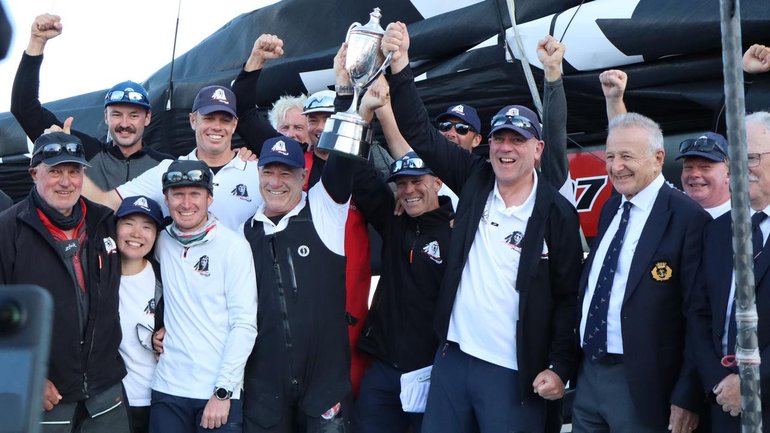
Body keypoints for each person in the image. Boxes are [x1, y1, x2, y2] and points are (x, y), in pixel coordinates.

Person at [382, 22, 583, 432]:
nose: (506, 148)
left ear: (537, 148)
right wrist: (401, 65)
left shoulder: (557, 212)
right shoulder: (475, 179)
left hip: (513, 371)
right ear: (488, 144)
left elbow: (568, 297)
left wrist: (560, 366)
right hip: (453, 360)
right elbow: (420, 131)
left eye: (517, 140)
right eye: (499, 139)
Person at [233, 36, 373, 396]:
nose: (318, 126)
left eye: (328, 119)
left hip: (346, 310)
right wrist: (254, 64)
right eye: (313, 118)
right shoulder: (290, 158)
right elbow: (245, 113)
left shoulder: (357, 172)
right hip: (286, 318)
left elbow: (393, 217)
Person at [571, 112, 710, 433]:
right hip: (589, 374)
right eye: (610, 156)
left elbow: (699, 317)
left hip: (646, 386)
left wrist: (686, 396)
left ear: (658, 158)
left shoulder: (688, 218)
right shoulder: (611, 208)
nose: (615, 166)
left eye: (626, 156)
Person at [242, 129, 371, 432]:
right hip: (265, 387)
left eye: (286, 173)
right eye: (269, 172)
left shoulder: (325, 211)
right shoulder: (243, 232)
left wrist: (348, 95)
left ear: (303, 177)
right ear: (258, 174)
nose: (275, 182)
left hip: (324, 387)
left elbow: (343, 159)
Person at [0, 131, 129, 432]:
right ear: (33, 173)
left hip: (106, 392)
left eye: (74, 171)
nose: (66, 181)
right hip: (44, 396)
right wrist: (24, 374)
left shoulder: (104, 222)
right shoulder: (7, 231)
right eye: (55, 171)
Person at [150, 160, 258, 433]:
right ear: (166, 198)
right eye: (178, 194)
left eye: (195, 194)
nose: (186, 203)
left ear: (210, 197)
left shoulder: (233, 246)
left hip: (216, 392)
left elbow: (244, 324)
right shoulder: (161, 241)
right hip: (167, 389)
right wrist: (154, 330)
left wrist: (223, 391)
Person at [353, 150, 453, 433]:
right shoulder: (394, 221)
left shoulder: (459, 233)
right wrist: (364, 116)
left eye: (417, 181)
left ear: (437, 182)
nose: (408, 190)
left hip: (433, 372)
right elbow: (361, 176)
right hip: (384, 369)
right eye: (401, 184)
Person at [11, 14, 171, 190]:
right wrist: (37, 41)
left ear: (147, 118)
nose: (124, 124)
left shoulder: (164, 166)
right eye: (116, 114)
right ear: (105, 116)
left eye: (134, 115)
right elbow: (24, 108)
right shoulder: (83, 150)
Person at [81, 84, 263, 232]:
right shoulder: (168, 169)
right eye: (208, 118)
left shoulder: (259, 173)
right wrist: (68, 169)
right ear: (193, 121)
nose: (216, 127)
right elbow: (106, 202)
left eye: (224, 120)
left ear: (235, 124)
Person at [689, 111, 770, 432]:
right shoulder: (717, 231)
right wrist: (719, 381)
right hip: (722, 402)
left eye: (750, 157)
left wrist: (749, 382)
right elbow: (698, 314)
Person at [601, 69, 731, 217]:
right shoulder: (673, 204)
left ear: (729, 174)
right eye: (688, 167)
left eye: (705, 167)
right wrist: (614, 100)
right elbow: (626, 140)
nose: (694, 174)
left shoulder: (746, 216)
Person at [115, 195, 165, 433]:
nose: (137, 233)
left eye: (147, 226)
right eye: (128, 223)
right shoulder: (97, 276)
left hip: (161, 399)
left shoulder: (165, 278)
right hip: (111, 402)